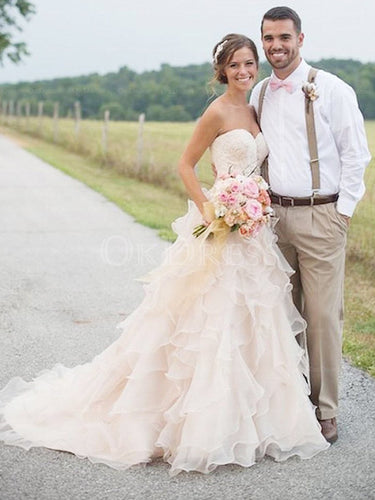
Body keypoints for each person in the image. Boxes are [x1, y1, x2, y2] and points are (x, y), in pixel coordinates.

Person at [0, 34, 329, 477]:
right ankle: (200, 423)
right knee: (209, 321)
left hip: (252, 233)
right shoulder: (216, 112)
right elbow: (185, 165)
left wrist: (253, 203)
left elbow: (258, 164)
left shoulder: (255, 108)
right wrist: (214, 208)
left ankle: (259, 420)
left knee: (255, 319)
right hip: (221, 227)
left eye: (249, 63)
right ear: (222, 70)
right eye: (235, 65)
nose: (244, 71)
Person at [250, 7, 371, 444]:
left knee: (321, 316)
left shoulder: (333, 89)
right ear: (262, 41)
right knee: (282, 313)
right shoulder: (258, 93)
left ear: (301, 39)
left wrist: (343, 213)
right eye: (268, 38)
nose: (276, 46)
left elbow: (357, 154)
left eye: (284, 37)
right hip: (272, 218)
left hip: (323, 215)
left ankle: (326, 410)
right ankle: (291, 401)